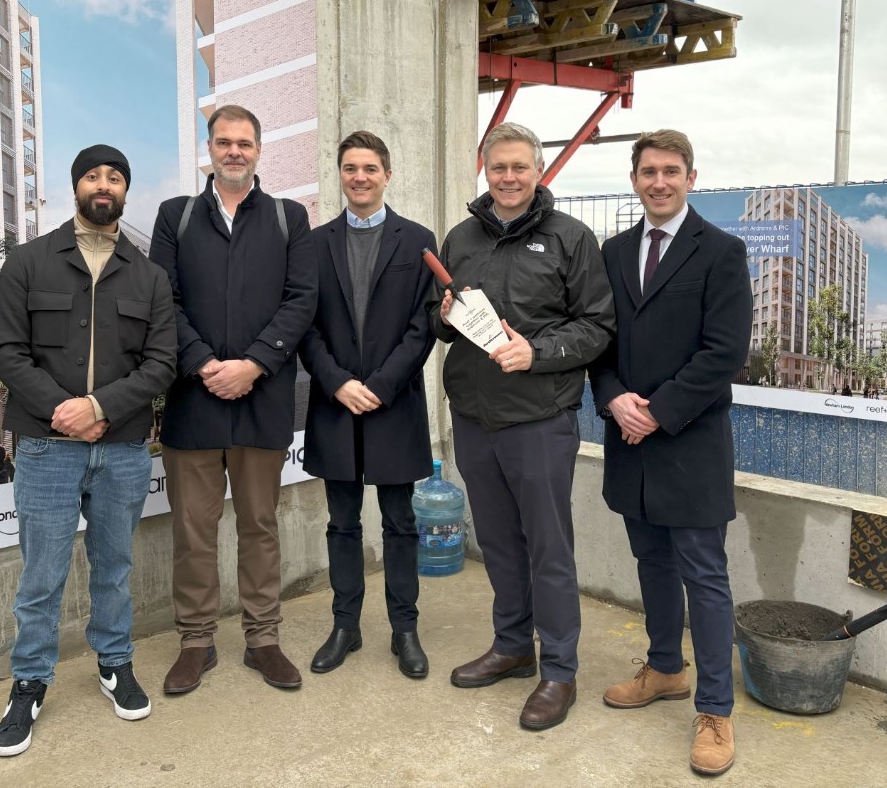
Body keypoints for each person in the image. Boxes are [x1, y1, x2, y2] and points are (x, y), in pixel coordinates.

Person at [0, 144, 177, 757]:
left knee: (115, 567)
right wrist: (63, 411)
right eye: (93, 175)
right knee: (42, 574)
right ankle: (29, 680)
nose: (104, 184)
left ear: (125, 189)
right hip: (46, 447)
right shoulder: (28, 262)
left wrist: (98, 408)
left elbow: (162, 363)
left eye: (114, 176)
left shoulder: (149, 277)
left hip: (121, 448)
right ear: (76, 186)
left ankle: (115, 664)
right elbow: (7, 351)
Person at [430, 122, 616, 731]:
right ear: (484, 169)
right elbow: (443, 323)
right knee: (500, 544)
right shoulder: (459, 238)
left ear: (539, 172)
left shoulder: (571, 238)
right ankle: (512, 647)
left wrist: (535, 352)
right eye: (498, 167)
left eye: (520, 168)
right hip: (476, 417)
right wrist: (443, 317)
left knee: (548, 548)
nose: (508, 178)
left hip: (540, 418)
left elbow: (595, 327)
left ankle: (559, 670)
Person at [588, 129, 752, 776]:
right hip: (630, 439)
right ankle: (664, 668)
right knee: (650, 562)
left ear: (690, 177)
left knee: (704, 577)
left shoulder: (722, 252)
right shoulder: (614, 252)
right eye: (649, 171)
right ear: (635, 179)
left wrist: (656, 411)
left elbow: (725, 352)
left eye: (671, 171)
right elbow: (598, 342)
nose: (659, 181)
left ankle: (715, 710)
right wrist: (613, 399)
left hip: (689, 441)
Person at [148, 105, 316, 696]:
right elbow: (162, 301)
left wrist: (253, 364)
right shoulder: (176, 216)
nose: (235, 151)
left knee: (260, 525)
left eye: (244, 142)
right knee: (193, 529)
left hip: (261, 397)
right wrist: (201, 363)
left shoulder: (288, 218)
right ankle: (196, 643)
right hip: (194, 401)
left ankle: (262, 639)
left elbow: (301, 300)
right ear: (209, 149)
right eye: (224, 142)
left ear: (259, 150)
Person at [299, 131, 437, 678]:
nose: (360, 177)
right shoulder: (312, 244)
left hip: (393, 404)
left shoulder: (418, 240)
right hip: (335, 405)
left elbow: (423, 328)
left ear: (388, 174)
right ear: (340, 174)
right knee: (341, 523)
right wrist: (336, 382)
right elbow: (304, 326)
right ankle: (345, 627)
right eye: (351, 168)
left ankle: (405, 631)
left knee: (401, 523)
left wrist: (379, 385)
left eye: (370, 168)